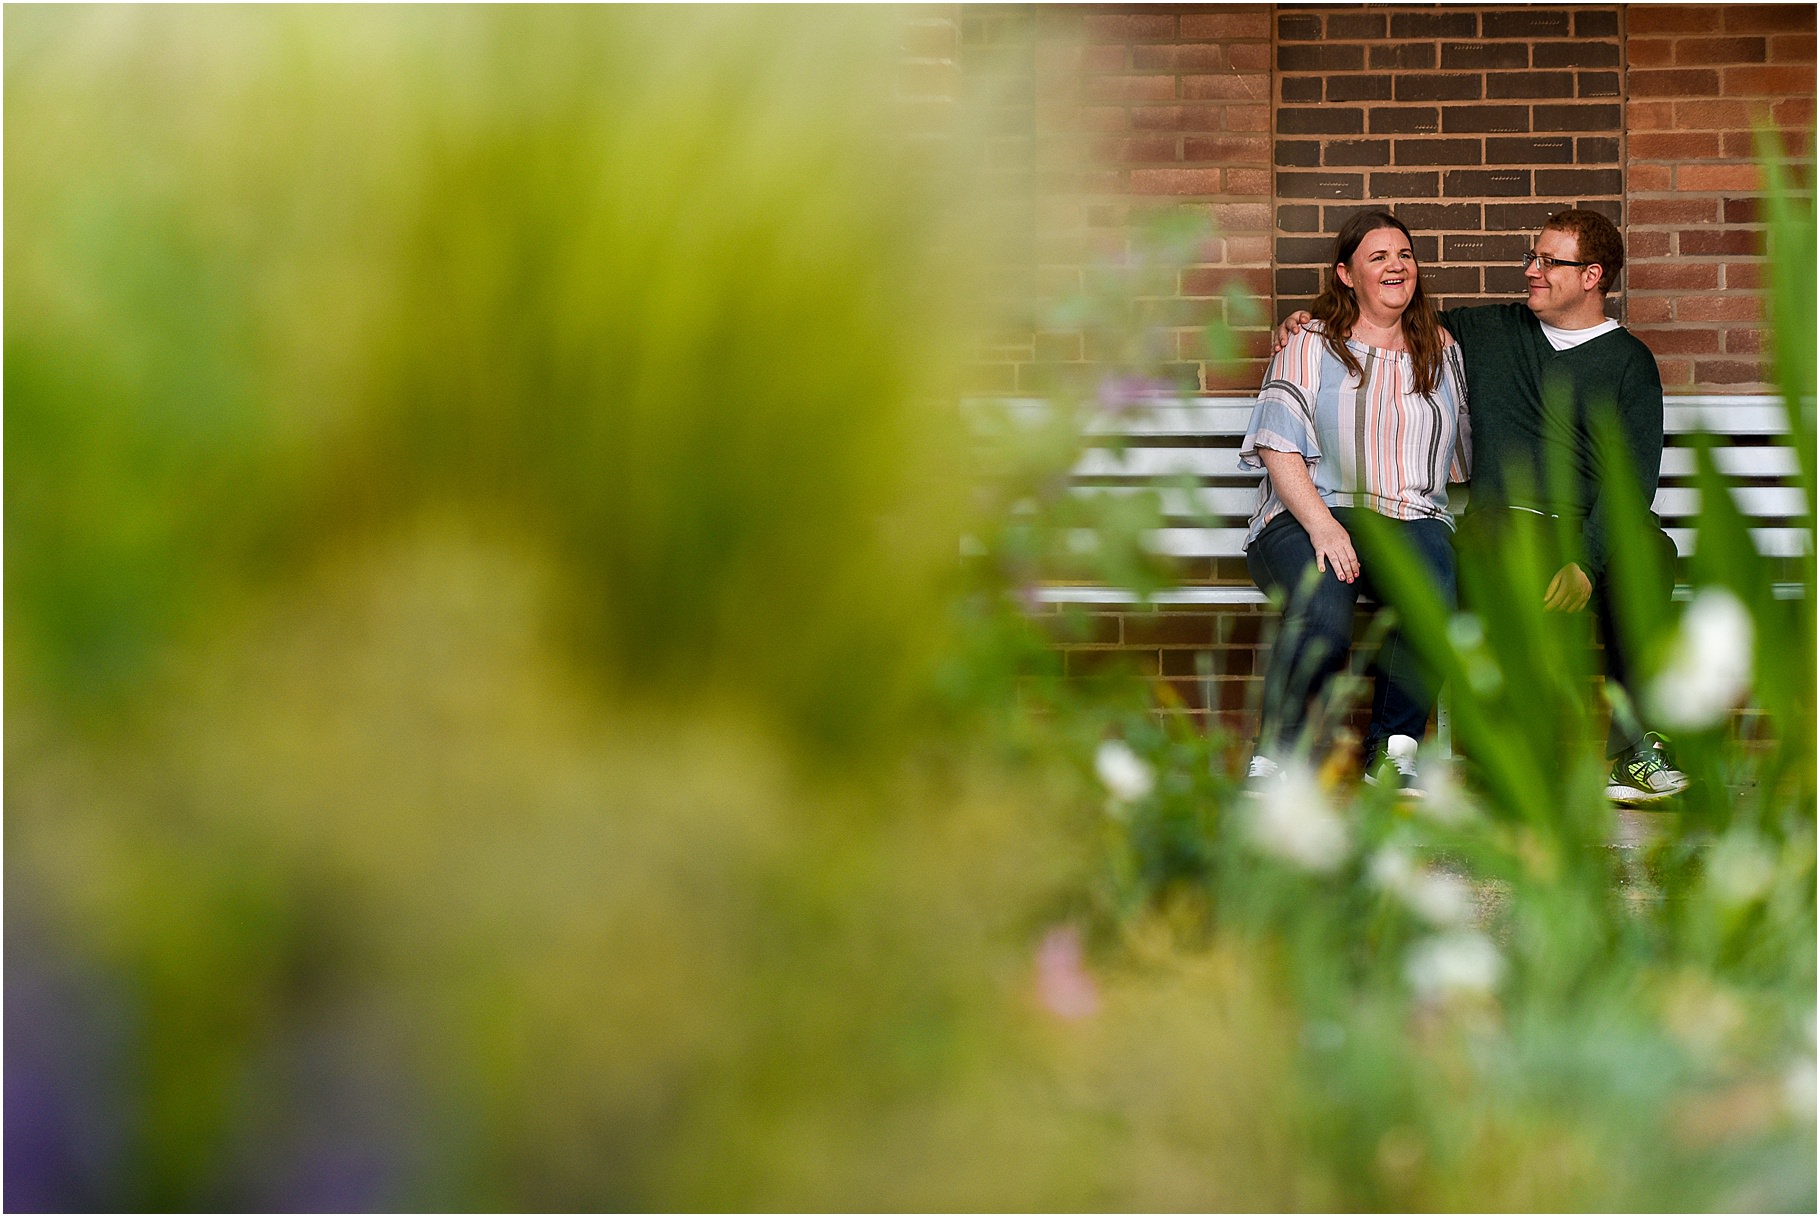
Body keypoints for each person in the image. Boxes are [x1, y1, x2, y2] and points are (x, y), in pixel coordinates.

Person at [1275, 208, 1687, 805]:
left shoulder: (1630, 363)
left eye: (1550, 261)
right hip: (1507, 519)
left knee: (1646, 558)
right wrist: (1309, 320)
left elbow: (1631, 478)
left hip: (1595, 526)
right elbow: (1381, 312)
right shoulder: (1489, 330)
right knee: (1493, 564)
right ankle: (1510, 756)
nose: (1532, 271)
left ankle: (1637, 752)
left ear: (1593, 275)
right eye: (1533, 257)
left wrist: (1588, 563)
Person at [1241, 211, 1470, 795]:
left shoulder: (1442, 351)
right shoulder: (1310, 342)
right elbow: (1276, 444)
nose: (1397, 266)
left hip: (1407, 513)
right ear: (1346, 274)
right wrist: (1324, 527)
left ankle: (1393, 752)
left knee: (1434, 595)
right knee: (1324, 612)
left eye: (1405, 255)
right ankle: (1278, 756)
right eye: (1379, 257)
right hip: (1309, 511)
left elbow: (1458, 456)